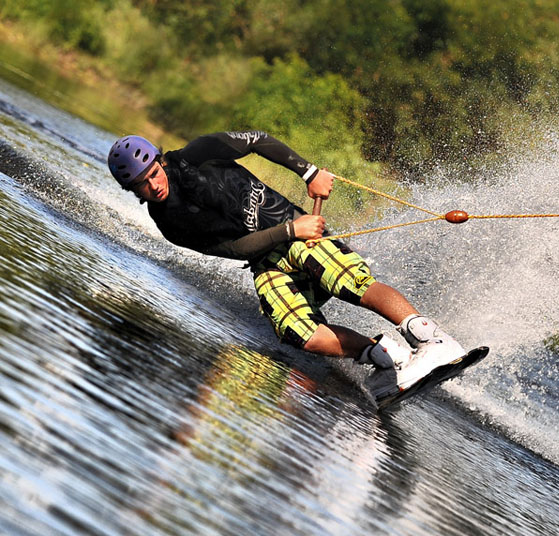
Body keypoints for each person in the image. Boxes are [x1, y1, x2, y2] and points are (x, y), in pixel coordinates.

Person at [107, 131, 464, 400]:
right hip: (267, 255)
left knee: (347, 282)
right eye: (141, 185)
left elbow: (257, 139)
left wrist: (308, 173)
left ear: (160, 161)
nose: (153, 186)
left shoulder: (199, 154)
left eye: (153, 173)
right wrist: (288, 230)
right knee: (297, 332)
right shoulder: (170, 224)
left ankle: (431, 338)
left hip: (300, 236)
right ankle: (386, 358)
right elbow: (231, 248)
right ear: (133, 191)